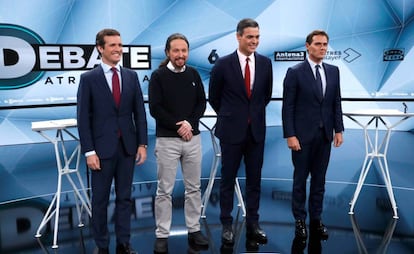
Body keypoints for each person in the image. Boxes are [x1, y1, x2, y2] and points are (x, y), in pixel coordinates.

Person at [77, 28, 148, 254]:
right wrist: (89, 151)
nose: (118, 49)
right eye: (113, 45)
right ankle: (102, 245)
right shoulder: (88, 79)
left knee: (125, 198)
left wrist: (142, 144)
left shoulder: (131, 75)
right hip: (101, 150)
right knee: (99, 201)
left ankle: (124, 243)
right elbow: (83, 118)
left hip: (127, 147)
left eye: (120, 45)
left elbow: (140, 112)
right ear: (100, 48)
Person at [209, 18, 273, 246]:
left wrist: (250, 116)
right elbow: (214, 97)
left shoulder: (265, 63)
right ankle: (226, 224)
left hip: (256, 131)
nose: (254, 41)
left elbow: (265, 96)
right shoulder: (223, 65)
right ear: (238, 37)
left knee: (255, 180)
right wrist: (232, 116)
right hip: (231, 131)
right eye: (250, 37)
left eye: (257, 37)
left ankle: (253, 223)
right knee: (227, 179)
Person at [148, 33, 209, 254]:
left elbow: (201, 103)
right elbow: (155, 108)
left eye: (184, 50)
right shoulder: (158, 76)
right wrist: (179, 126)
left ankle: (194, 229)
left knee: (194, 188)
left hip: (192, 139)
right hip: (167, 141)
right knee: (165, 190)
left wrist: (190, 124)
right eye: (176, 50)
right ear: (168, 52)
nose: (180, 55)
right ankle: (162, 234)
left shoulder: (193, 74)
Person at [281, 30, 344, 241]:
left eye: (325, 44)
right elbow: (287, 107)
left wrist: (339, 129)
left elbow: (336, 102)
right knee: (300, 180)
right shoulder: (295, 72)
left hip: (325, 136)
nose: (323, 48)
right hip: (301, 137)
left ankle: (316, 220)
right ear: (308, 46)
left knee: (320, 181)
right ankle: (300, 221)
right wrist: (290, 135)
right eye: (318, 44)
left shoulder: (334, 71)